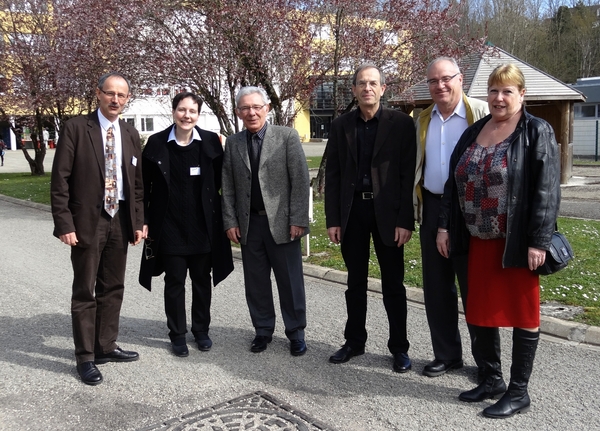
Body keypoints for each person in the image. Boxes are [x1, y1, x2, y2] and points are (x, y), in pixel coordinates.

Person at [437, 64, 560, 418]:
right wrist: (444, 226)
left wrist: (538, 240)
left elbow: (546, 191)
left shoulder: (536, 131)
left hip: (516, 243)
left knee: (523, 313)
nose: (499, 98)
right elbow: (452, 182)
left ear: (522, 95)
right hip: (477, 239)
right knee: (480, 312)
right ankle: (491, 379)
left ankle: (519, 392)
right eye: (493, 90)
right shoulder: (475, 131)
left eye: (507, 91)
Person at [51, 72, 144, 386]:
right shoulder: (77, 128)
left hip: (120, 219)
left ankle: (106, 345)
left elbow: (138, 185)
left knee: (113, 287)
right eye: (109, 93)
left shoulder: (131, 134)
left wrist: (139, 221)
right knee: (85, 290)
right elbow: (60, 180)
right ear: (98, 94)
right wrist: (65, 223)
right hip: (87, 222)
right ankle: (85, 357)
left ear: (127, 99)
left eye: (121, 95)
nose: (115, 99)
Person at [325, 63, 416, 372]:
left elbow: (407, 177)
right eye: (361, 83)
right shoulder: (341, 126)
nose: (367, 88)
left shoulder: (402, 124)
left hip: (389, 215)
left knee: (394, 284)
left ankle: (399, 348)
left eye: (372, 83)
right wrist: (333, 219)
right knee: (355, 283)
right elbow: (334, 175)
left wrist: (406, 220)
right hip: (353, 214)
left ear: (382, 88)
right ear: (353, 90)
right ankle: (354, 341)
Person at [414, 57, 498, 380]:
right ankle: (447, 355)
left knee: (474, 288)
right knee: (436, 288)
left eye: (446, 79)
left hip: (471, 211)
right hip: (433, 207)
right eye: (433, 81)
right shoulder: (422, 119)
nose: (440, 86)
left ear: (460, 79)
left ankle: (486, 364)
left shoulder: (480, 114)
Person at [139, 92, 233, 357]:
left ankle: (201, 331)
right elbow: (144, 187)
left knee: (202, 281)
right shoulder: (157, 143)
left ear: (198, 114)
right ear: (173, 112)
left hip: (203, 227)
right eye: (182, 110)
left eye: (192, 111)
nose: (186, 115)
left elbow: (222, 183)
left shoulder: (212, 143)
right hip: (169, 228)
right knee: (175, 282)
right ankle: (177, 334)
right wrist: (144, 220)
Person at [222, 86, 310, 356]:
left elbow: (300, 180)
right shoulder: (234, 143)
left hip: (283, 224)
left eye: (256, 107)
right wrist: (230, 220)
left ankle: (296, 332)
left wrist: (298, 219)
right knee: (256, 282)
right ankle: (262, 330)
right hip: (250, 225)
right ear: (238, 112)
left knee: (290, 281)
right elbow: (227, 185)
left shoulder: (286, 137)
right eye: (245, 108)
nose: (251, 113)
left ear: (267, 108)